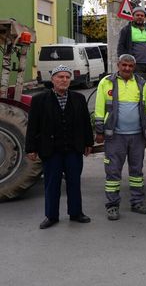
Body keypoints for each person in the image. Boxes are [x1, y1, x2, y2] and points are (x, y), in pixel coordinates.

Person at [25, 65, 93, 229]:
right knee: (52, 183)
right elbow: (33, 126)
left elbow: (85, 123)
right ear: (53, 79)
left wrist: (88, 143)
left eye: (67, 77)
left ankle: (76, 213)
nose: (64, 80)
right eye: (60, 77)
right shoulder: (40, 100)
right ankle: (51, 215)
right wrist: (31, 148)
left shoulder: (78, 98)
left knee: (74, 182)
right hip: (51, 149)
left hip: (73, 148)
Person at [95, 54, 146, 220]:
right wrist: (99, 131)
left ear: (134, 67)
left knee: (136, 172)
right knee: (113, 173)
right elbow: (99, 108)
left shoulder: (141, 83)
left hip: (137, 136)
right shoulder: (106, 83)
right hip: (115, 136)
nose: (127, 68)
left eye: (130, 66)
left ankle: (137, 202)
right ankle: (112, 206)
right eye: (124, 65)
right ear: (118, 65)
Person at [117, 6, 146, 73]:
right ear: (133, 16)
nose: (140, 17)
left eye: (142, 15)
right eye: (137, 15)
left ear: (144, 17)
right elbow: (121, 46)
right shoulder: (126, 30)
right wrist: (121, 61)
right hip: (133, 65)